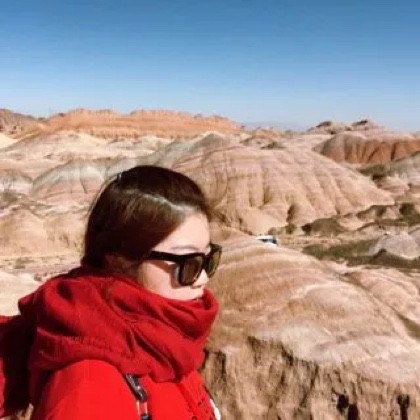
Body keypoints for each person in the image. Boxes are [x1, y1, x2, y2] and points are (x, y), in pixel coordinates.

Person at [4, 165, 223, 419]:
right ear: (119, 261)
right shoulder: (89, 389)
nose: (203, 278)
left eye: (209, 259)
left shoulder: (163, 340)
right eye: (189, 263)